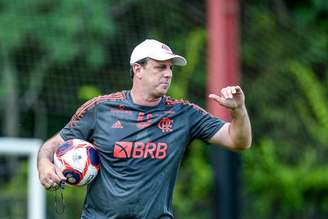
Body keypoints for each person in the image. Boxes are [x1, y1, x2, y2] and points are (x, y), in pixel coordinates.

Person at [37, 39, 252, 219]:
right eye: (160, 67)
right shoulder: (101, 109)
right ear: (137, 70)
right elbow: (51, 146)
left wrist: (239, 110)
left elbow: (238, 141)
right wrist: (45, 165)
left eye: (170, 68)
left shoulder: (184, 114)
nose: (168, 74)